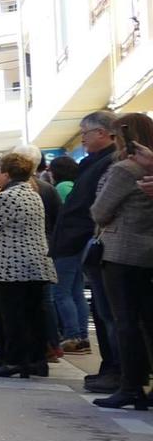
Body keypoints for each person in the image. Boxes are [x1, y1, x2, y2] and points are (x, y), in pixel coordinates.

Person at [89, 112, 153, 409]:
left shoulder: (124, 169)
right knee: (145, 321)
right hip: (146, 252)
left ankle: (130, 386)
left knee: (124, 320)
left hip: (120, 251)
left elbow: (99, 211)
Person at [0, 148, 57, 378]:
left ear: (7, 173)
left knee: (12, 316)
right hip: (37, 262)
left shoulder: (6, 196)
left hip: (10, 265)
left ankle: (13, 361)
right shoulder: (33, 194)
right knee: (34, 315)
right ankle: (36, 360)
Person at [55, 111, 118, 393]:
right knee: (101, 309)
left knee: (111, 314)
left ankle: (118, 371)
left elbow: (99, 208)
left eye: (86, 132)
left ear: (103, 133)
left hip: (95, 244)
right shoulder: (96, 163)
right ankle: (112, 368)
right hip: (85, 244)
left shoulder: (111, 163)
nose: (82, 138)